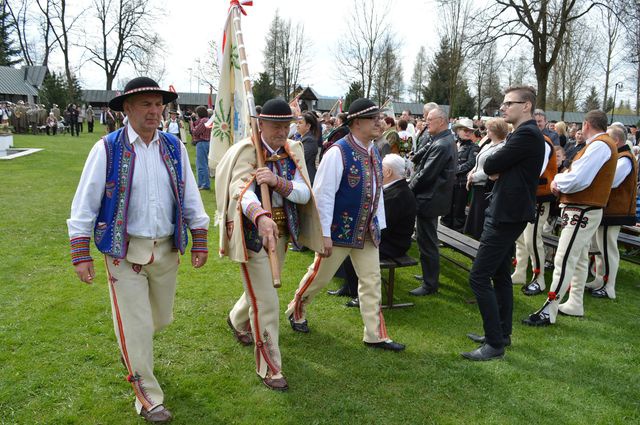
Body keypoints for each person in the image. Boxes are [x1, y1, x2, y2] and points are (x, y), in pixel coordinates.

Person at [66, 77, 210, 423]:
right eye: (145, 104)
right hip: (122, 252)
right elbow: (84, 203)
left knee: (158, 319)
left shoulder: (174, 147)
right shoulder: (107, 148)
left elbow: (190, 194)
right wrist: (81, 253)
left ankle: (132, 351)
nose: (154, 110)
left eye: (158, 104)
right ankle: (148, 398)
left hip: (166, 251)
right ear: (127, 109)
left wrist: (200, 236)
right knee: (136, 324)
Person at [216, 99, 323, 391]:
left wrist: (277, 181)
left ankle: (236, 319)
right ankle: (270, 367)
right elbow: (240, 191)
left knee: (259, 291)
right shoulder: (247, 151)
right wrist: (260, 216)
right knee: (267, 302)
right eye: (275, 125)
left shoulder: (293, 149)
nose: (281, 131)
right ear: (260, 123)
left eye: (286, 125)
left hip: (283, 233)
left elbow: (303, 193)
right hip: (252, 234)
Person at [285, 98, 406, 352]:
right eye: (373, 119)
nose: (379, 123)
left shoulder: (374, 149)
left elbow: (377, 191)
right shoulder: (337, 152)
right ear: (357, 122)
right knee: (319, 277)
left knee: (372, 281)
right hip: (338, 232)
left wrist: (378, 223)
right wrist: (324, 233)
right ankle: (296, 309)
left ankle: (374, 334)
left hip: (367, 232)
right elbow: (323, 195)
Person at [462, 86, 545, 361]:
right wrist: (499, 167)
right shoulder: (520, 134)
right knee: (499, 275)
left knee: (478, 276)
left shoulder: (527, 134)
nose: (503, 108)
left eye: (510, 103)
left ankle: (494, 344)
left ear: (527, 106)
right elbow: (494, 165)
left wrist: (499, 167)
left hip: (507, 214)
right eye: (504, 103)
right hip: (506, 210)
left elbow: (490, 163)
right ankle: (501, 333)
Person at [523, 110, 618, 326]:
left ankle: (549, 309)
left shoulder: (599, 145)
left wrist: (558, 181)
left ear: (586, 124)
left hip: (582, 209)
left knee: (564, 258)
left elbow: (579, 178)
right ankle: (575, 302)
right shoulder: (602, 144)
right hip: (583, 209)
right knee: (579, 257)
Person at [330, 154, 417, 305]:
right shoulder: (395, 188)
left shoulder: (398, 194)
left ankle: (360, 295)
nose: (376, 171)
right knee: (348, 242)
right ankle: (349, 287)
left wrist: (362, 234)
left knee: (355, 248)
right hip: (387, 238)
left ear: (388, 172)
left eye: (380, 169)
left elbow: (383, 227)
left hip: (394, 245)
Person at [585, 125, 638, 299]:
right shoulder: (618, 156)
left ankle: (609, 287)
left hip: (614, 211)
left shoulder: (624, 158)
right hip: (607, 209)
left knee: (608, 249)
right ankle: (599, 279)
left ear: (615, 141)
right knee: (601, 248)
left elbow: (611, 181)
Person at [409, 107, 456, 296]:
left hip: (430, 199)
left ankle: (430, 284)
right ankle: (429, 276)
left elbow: (426, 175)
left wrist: (407, 189)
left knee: (427, 241)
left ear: (442, 121)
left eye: (430, 119)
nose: (426, 122)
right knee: (426, 239)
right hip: (433, 198)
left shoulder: (442, 144)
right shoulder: (441, 140)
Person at [511, 131, 557, 295]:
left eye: (539, 121)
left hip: (539, 195)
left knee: (531, 238)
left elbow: (537, 169)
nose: (536, 124)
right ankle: (520, 272)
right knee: (521, 238)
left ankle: (539, 278)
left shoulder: (543, 142)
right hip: (526, 194)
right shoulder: (524, 137)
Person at [464, 117, 508, 239]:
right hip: (477, 185)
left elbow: (492, 169)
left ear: (496, 131)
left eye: (489, 129)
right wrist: (471, 173)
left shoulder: (501, 147)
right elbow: (478, 161)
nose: (486, 131)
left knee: (481, 221)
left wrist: (473, 177)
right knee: (476, 220)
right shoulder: (489, 144)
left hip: (486, 187)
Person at [442, 118, 479, 232]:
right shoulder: (452, 143)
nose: (468, 132)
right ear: (458, 130)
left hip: (461, 183)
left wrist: (453, 170)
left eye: (470, 131)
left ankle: (457, 233)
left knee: (458, 210)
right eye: (465, 130)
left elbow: (470, 164)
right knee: (446, 208)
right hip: (449, 182)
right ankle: (444, 229)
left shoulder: (474, 147)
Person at [190, 106, 212, 190]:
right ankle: (202, 183)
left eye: (196, 113)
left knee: (201, 165)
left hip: (202, 143)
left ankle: (204, 184)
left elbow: (195, 132)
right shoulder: (208, 120)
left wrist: (192, 124)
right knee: (203, 164)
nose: (195, 114)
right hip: (206, 142)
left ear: (199, 113)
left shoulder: (203, 121)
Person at [298, 111, 320, 184]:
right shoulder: (304, 138)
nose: (297, 125)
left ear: (308, 126)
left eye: (300, 123)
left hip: (307, 178)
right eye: (297, 123)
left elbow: (301, 159)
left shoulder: (309, 140)